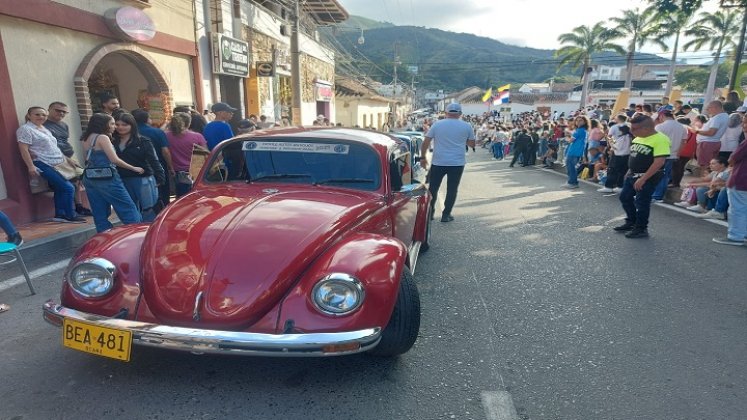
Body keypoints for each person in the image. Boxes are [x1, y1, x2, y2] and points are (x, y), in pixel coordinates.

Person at [17, 106, 85, 222]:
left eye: (43, 115)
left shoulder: (43, 128)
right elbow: (23, 149)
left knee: (60, 188)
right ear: (29, 115)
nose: (41, 117)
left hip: (58, 163)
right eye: (37, 114)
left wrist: (66, 159)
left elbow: (52, 146)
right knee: (68, 188)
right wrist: (31, 166)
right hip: (42, 163)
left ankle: (60, 214)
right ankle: (70, 215)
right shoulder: (25, 129)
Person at [81, 113, 144, 233]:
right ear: (103, 124)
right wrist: (133, 168)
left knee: (99, 210)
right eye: (112, 123)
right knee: (127, 207)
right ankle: (137, 232)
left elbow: (86, 159)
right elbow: (114, 159)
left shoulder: (85, 138)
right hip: (107, 177)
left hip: (90, 177)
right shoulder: (103, 138)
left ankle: (104, 236)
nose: (114, 126)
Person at [614, 114, 670, 238]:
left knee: (642, 202)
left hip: (648, 176)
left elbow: (659, 162)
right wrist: (629, 171)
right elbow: (634, 155)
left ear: (646, 128)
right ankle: (631, 221)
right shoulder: (637, 138)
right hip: (633, 174)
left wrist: (643, 179)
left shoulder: (660, 139)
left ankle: (641, 228)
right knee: (625, 197)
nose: (631, 131)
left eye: (634, 129)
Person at [419, 103, 476, 222]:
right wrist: (461, 139)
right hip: (457, 163)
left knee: (433, 188)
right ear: (460, 114)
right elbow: (472, 144)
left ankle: (430, 213)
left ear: (446, 113)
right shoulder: (467, 126)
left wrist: (423, 158)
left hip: (438, 161)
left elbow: (426, 142)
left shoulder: (437, 124)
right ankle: (446, 215)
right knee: (452, 189)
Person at [112, 113, 165, 222]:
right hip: (122, 180)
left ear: (132, 125)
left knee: (149, 209)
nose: (120, 127)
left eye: (124, 124)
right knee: (130, 210)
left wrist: (160, 177)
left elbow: (154, 160)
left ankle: (149, 232)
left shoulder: (143, 141)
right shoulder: (112, 141)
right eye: (117, 124)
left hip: (143, 179)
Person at [43, 101, 92, 216]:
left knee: (77, 180)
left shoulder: (64, 125)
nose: (61, 113)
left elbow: (64, 141)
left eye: (64, 112)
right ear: (49, 109)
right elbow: (48, 146)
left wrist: (70, 157)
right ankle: (65, 211)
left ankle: (79, 207)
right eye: (58, 110)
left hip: (69, 156)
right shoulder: (43, 125)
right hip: (55, 159)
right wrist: (65, 158)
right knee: (62, 185)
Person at [713, 115, 747, 246]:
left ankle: (735, 236)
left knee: (737, 209)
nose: (743, 126)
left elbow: (732, 158)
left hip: (741, 178)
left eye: (745, 123)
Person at [132, 108, 174, 212]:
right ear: (147, 119)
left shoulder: (130, 133)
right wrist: (171, 166)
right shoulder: (157, 132)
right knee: (162, 193)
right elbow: (165, 151)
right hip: (158, 166)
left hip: (135, 168)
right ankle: (162, 213)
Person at [166, 112, 208, 197]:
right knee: (198, 197)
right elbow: (206, 153)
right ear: (189, 123)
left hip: (177, 172)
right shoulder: (197, 136)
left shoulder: (167, 136)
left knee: (182, 198)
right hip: (196, 171)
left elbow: (166, 152)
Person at [651, 108, 687, 202]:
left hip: (659, 154)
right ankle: (658, 195)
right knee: (665, 175)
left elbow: (655, 141)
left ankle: (656, 195)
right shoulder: (682, 127)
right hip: (673, 154)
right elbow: (683, 142)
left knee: (656, 175)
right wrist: (678, 154)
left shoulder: (660, 127)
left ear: (662, 116)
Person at [695, 100, 729, 174]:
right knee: (710, 165)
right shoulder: (724, 116)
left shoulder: (717, 118)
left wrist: (697, 131)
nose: (707, 110)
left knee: (705, 166)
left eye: (709, 108)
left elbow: (711, 133)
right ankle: (707, 182)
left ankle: (703, 184)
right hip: (713, 142)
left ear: (715, 108)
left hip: (708, 143)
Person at [562, 116, 588, 188]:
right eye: (577, 120)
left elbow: (570, 140)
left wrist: (567, 136)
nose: (578, 122)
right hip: (575, 150)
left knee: (571, 167)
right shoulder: (582, 130)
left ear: (585, 122)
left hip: (575, 151)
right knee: (571, 167)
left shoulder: (580, 130)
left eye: (581, 120)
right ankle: (573, 182)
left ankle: (572, 182)